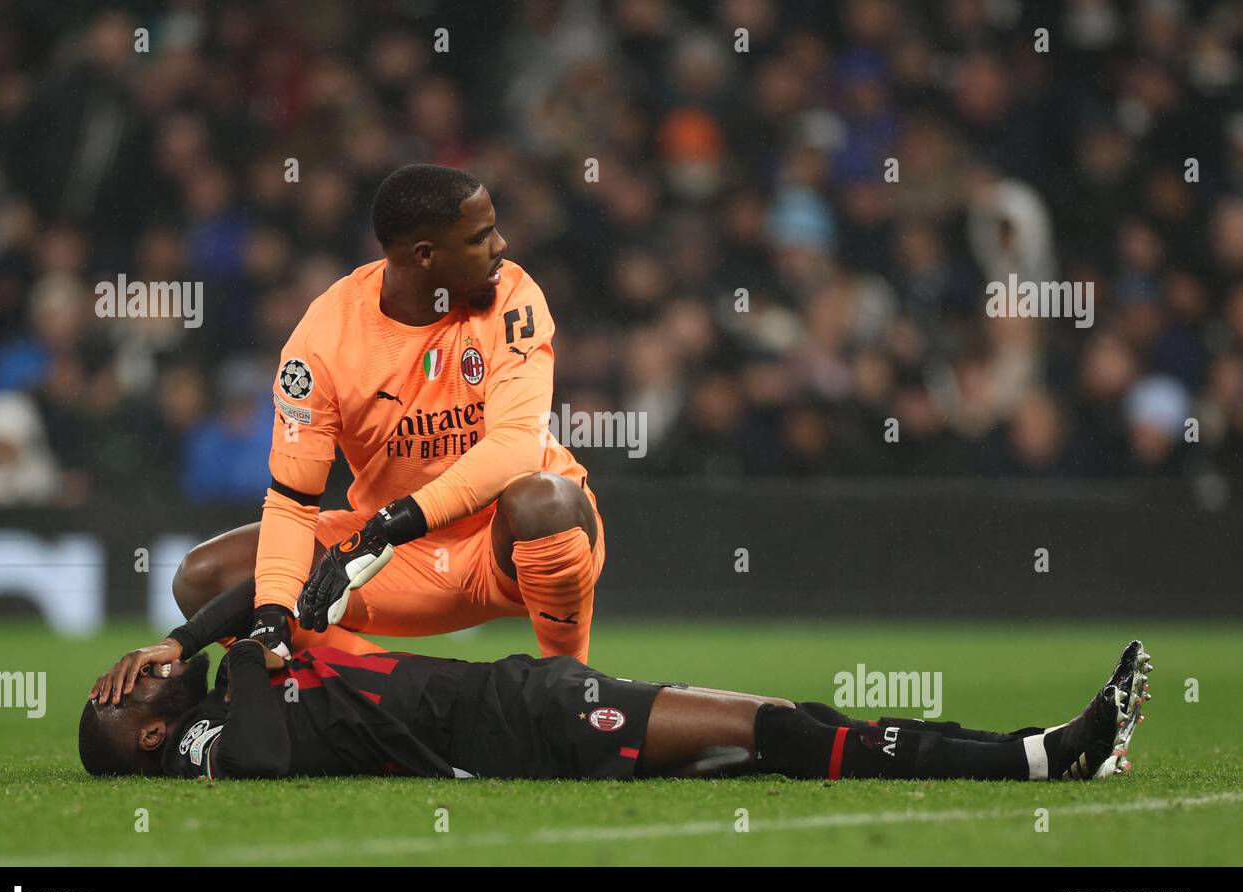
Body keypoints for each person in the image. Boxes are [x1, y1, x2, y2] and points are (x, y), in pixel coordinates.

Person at [170, 164, 604, 663]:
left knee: (546, 500)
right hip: (398, 561)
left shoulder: (512, 296)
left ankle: (569, 688)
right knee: (204, 578)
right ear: (425, 256)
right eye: (481, 237)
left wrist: (387, 525)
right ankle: (383, 696)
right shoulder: (324, 339)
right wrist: (271, 616)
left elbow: (515, 447)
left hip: (508, 542)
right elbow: (292, 500)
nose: (502, 246)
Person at [80, 581, 1150, 782]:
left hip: (512, 701)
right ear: (140, 739)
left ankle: (1032, 750)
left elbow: (232, 577)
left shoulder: (205, 688)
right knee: (776, 725)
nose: (115, 679)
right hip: (516, 731)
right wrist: (262, 651)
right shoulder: (206, 744)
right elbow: (263, 748)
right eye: (112, 697)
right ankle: (1039, 756)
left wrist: (183, 640)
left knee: (785, 731)